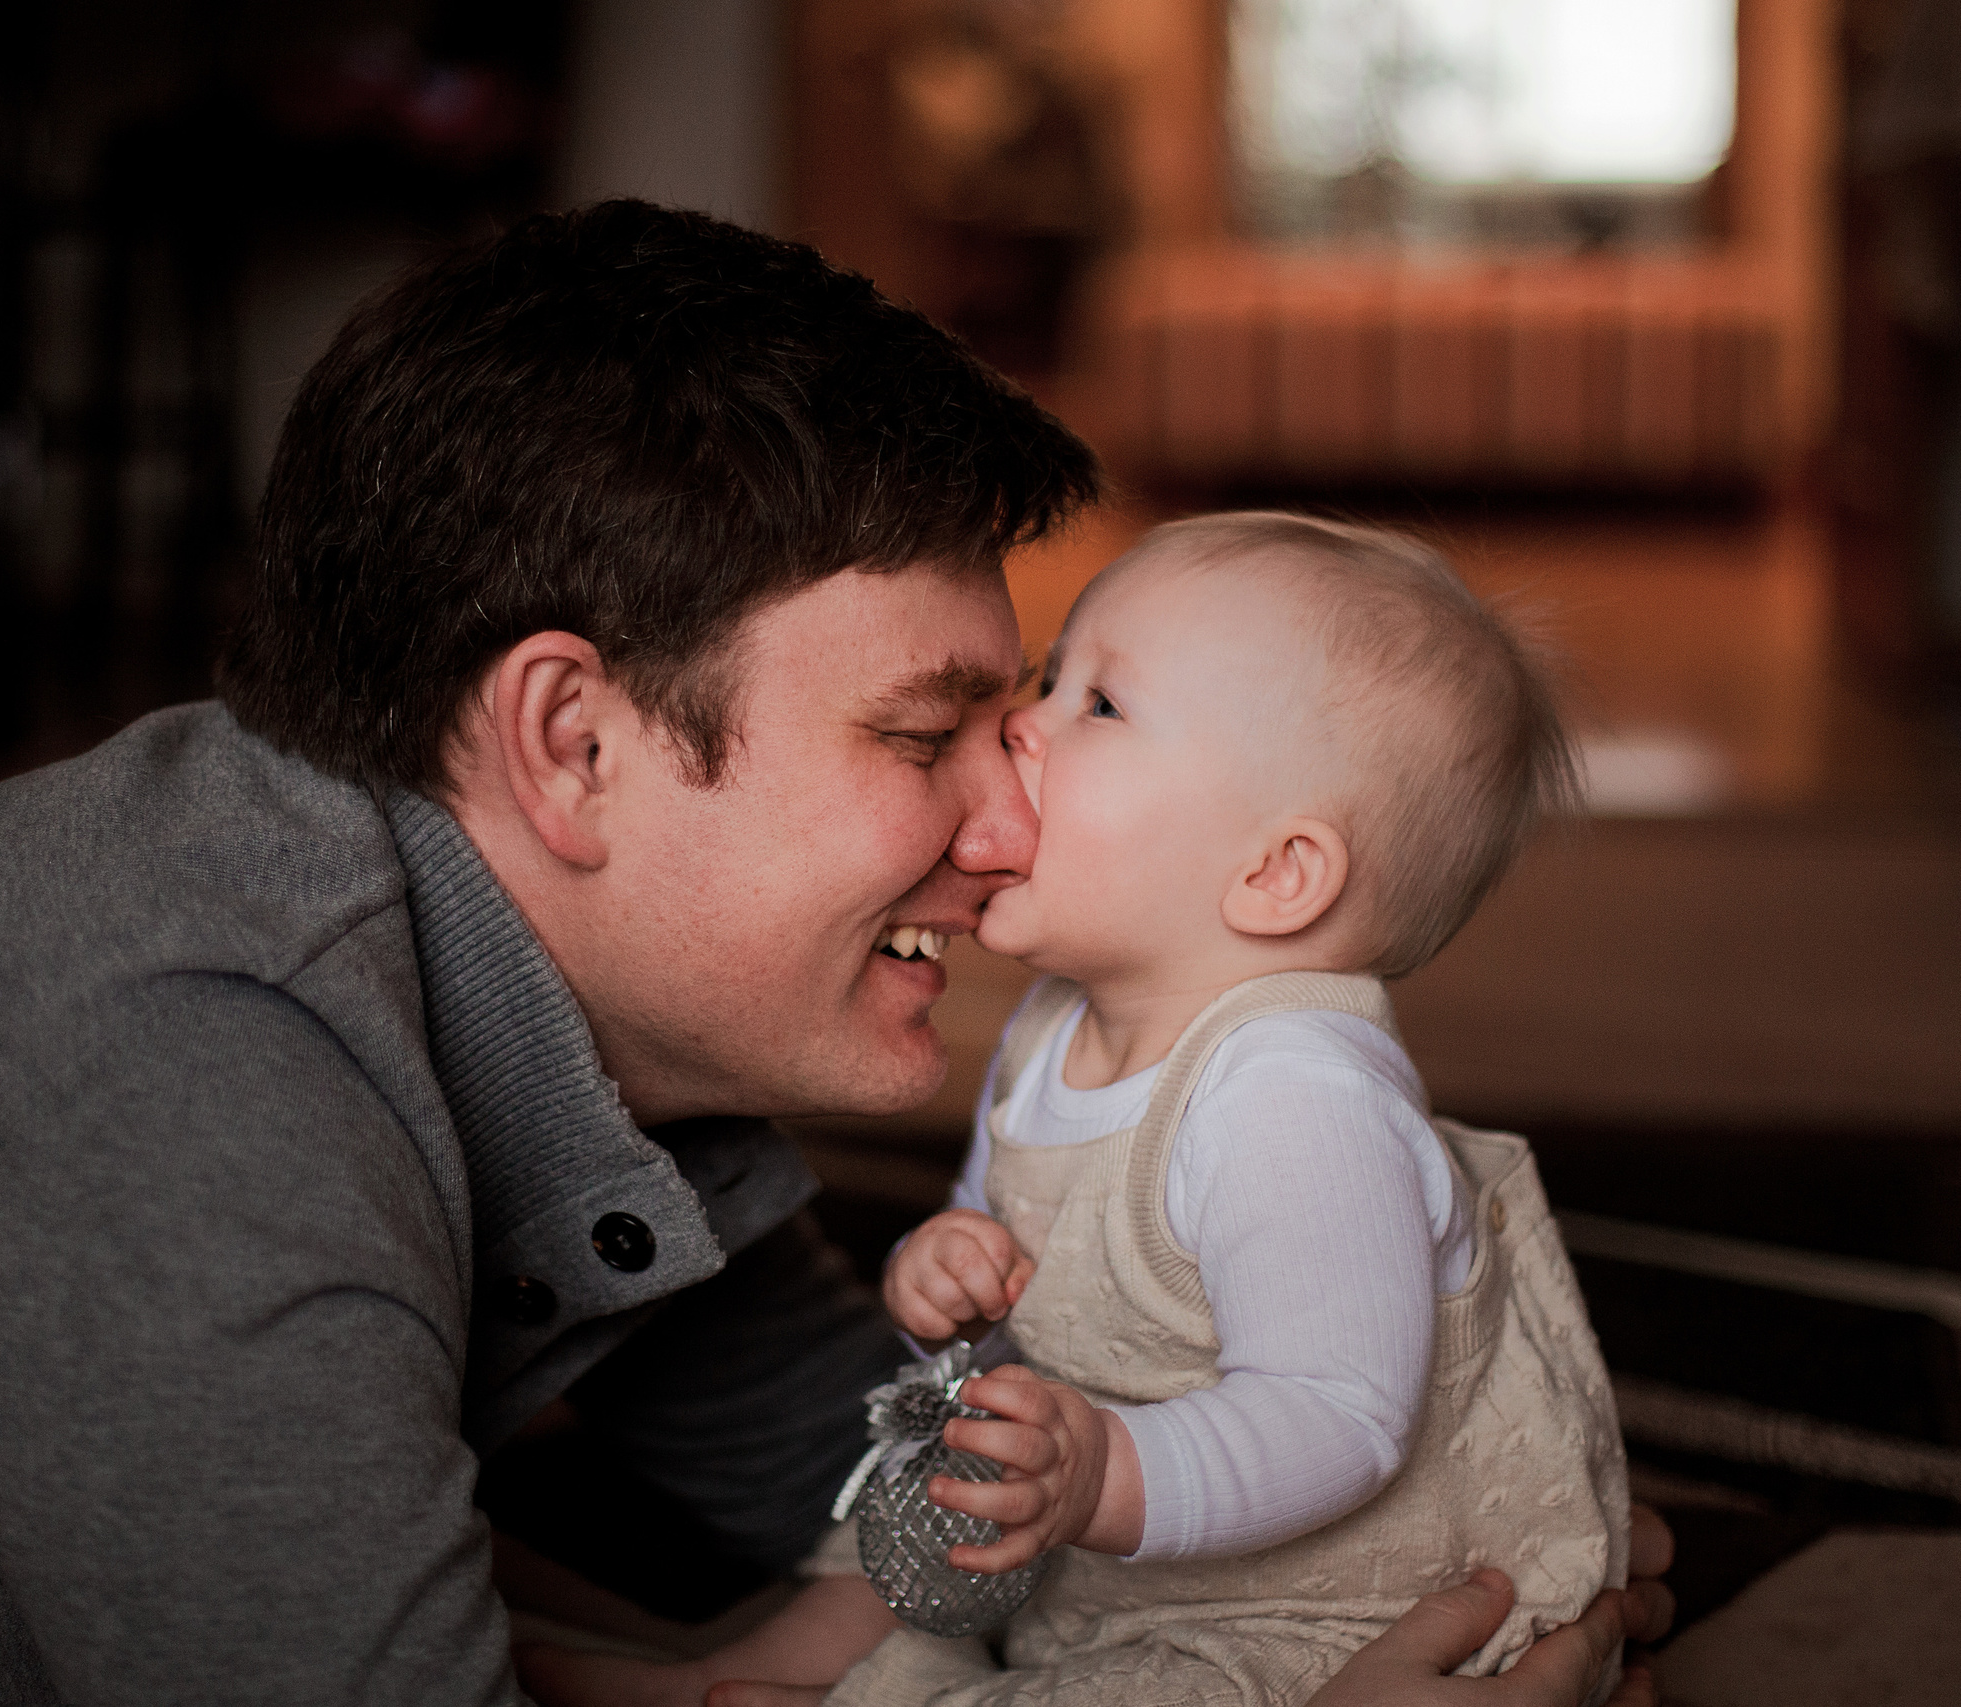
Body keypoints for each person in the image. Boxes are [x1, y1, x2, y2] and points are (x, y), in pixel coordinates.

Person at [0, 205, 1663, 1707]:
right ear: (576, 743)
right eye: (925, 729)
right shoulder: (179, 1083)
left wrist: (1469, 1537)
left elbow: (873, 1467)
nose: (1007, 823)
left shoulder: (605, 1027)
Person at [527, 513, 1630, 1707]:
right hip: (1098, 1527)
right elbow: (1015, 1267)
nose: (1017, 721)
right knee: (897, 1524)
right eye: (1056, 675)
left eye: (1098, 706)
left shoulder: (1293, 1098)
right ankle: (734, 1680)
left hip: (1309, 1609)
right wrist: (949, 1271)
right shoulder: (1059, 1027)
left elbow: (1339, 1413)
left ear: (1274, 874)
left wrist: (1104, 1469)